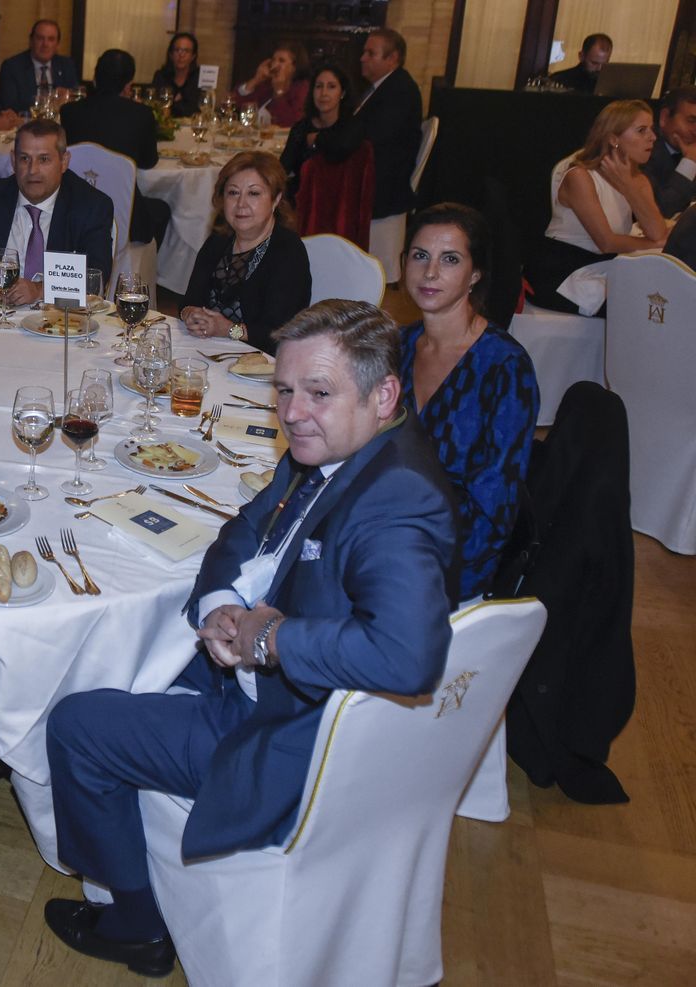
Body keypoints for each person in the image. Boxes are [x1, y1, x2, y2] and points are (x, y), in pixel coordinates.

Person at [41, 299, 458, 976]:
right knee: (115, 657)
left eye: (318, 392)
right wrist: (220, 603)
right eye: (286, 390)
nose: (293, 413)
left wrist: (270, 639)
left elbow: (410, 655)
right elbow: (242, 527)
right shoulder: (334, 449)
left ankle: (137, 921)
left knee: (75, 724)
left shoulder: (396, 500)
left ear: (384, 394)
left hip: (289, 734)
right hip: (259, 672)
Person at [399, 204, 539, 600]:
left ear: (475, 274)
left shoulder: (505, 368)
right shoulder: (400, 346)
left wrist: (415, 577)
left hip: (453, 566)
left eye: (450, 260)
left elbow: (492, 515)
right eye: (420, 256)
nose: (430, 273)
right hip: (387, 534)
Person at [0, 118, 115, 306]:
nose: (32, 170)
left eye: (44, 159)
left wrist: (39, 290)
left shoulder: (91, 206)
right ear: (13, 160)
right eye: (24, 158)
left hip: (58, 322)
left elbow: (95, 275)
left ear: (64, 162)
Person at [529, 100, 668, 313]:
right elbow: (606, 242)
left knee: (663, 298)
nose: (653, 137)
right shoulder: (580, 177)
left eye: (651, 129)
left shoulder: (638, 181)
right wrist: (657, 243)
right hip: (564, 269)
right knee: (644, 308)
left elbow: (657, 232)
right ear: (614, 139)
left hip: (605, 264)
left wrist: (628, 186)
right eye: (642, 130)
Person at [180, 151, 312, 352]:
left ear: (275, 200)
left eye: (254, 193)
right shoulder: (218, 241)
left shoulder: (288, 251)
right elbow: (189, 301)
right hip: (211, 352)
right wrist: (190, 314)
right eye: (233, 192)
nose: (241, 204)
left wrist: (230, 330)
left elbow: (280, 334)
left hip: (266, 366)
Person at [61, 48, 172, 246]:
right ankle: (142, 269)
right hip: (126, 220)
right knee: (162, 209)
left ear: (95, 78)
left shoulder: (69, 111)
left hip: (73, 208)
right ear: (129, 84)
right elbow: (148, 161)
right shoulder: (142, 114)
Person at [355, 28, 423, 223]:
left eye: (370, 53)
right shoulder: (382, 87)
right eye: (364, 52)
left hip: (382, 185)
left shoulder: (400, 90)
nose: (362, 58)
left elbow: (373, 137)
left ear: (392, 58)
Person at [279, 61, 365, 197]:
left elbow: (342, 149)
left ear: (342, 93)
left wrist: (316, 139)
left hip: (342, 203)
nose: (323, 93)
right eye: (318, 87)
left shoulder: (351, 127)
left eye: (331, 87)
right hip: (303, 202)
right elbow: (282, 169)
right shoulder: (301, 128)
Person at [0, 19, 78, 114]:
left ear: (57, 44)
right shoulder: (12, 67)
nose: (45, 44)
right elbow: (9, 106)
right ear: (31, 41)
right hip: (25, 124)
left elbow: (75, 102)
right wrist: (52, 102)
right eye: (40, 38)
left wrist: (67, 96)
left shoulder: (67, 65)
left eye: (51, 39)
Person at [229, 41, 310, 128]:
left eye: (281, 61)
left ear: (294, 67)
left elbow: (290, 122)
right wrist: (256, 80)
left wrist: (279, 92)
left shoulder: (302, 89)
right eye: (273, 60)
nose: (274, 65)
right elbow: (238, 105)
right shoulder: (267, 85)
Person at [646, 86, 696, 217]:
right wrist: (689, 162)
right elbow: (662, 211)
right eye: (691, 121)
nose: (695, 130)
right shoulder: (644, 150)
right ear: (664, 118)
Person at [150, 32, 204, 117]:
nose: (181, 55)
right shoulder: (161, 76)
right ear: (171, 54)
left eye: (186, 51)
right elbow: (156, 107)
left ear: (193, 56)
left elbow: (197, 110)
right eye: (177, 50)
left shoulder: (199, 78)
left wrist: (173, 104)